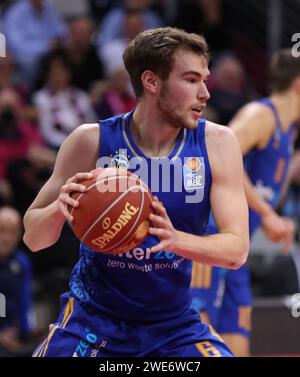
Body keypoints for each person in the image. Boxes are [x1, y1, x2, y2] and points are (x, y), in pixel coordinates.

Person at [23, 27, 249, 357]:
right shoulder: (90, 140)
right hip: (93, 321)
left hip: (174, 328)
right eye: (190, 80)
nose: (205, 93)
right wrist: (60, 207)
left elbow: (236, 250)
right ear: (151, 82)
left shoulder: (217, 143)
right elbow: (33, 238)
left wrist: (176, 240)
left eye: (204, 79)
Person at [190, 48, 300, 356]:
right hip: (210, 237)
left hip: (236, 251)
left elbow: (266, 178)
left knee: (237, 338)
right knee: (195, 339)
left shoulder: (287, 130)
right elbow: (218, 154)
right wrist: (267, 214)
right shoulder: (261, 115)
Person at [0, 206, 35, 357]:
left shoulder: (22, 262)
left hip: (15, 334)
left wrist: (28, 328)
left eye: (12, 232)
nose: (6, 238)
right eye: (1, 230)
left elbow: (24, 299)